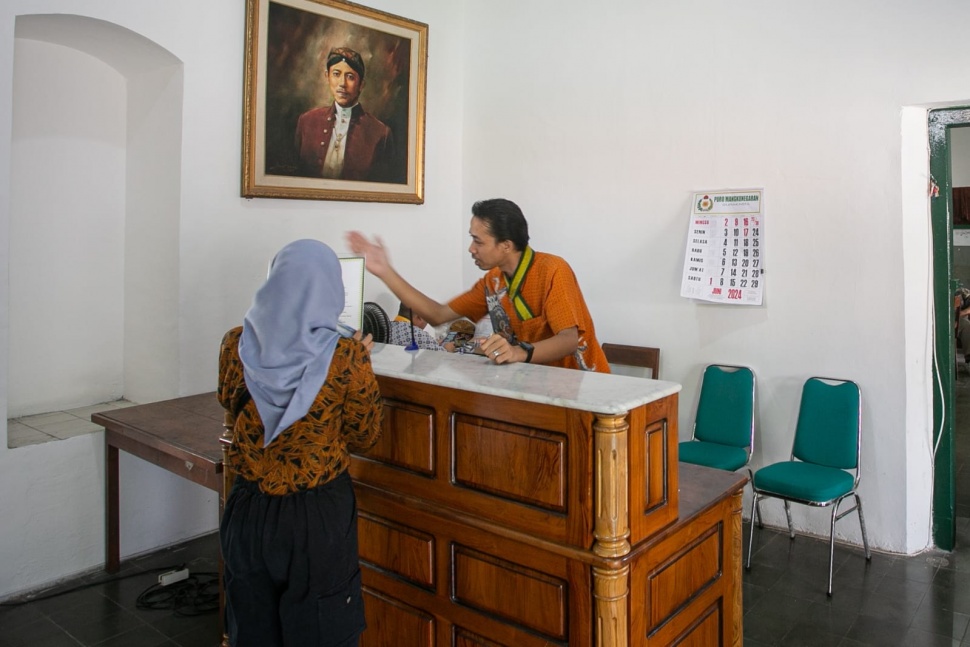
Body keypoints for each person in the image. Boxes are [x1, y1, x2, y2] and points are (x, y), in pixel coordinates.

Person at [217, 239, 383, 647]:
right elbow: (366, 434)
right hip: (316, 516)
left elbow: (228, 401)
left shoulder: (235, 344)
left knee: (251, 627)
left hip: (247, 508)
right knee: (322, 629)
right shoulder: (345, 356)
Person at [346, 198, 609, 372]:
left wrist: (517, 352)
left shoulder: (552, 269)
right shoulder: (492, 281)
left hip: (582, 384)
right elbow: (437, 315)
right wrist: (385, 271)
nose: (471, 249)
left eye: (478, 241)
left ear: (506, 245)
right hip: (538, 383)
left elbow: (569, 340)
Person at [295, 47, 397, 182]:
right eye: (336, 74)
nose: (342, 84)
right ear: (327, 77)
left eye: (350, 77)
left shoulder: (380, 134)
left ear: (361, 84)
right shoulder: (307, 121)